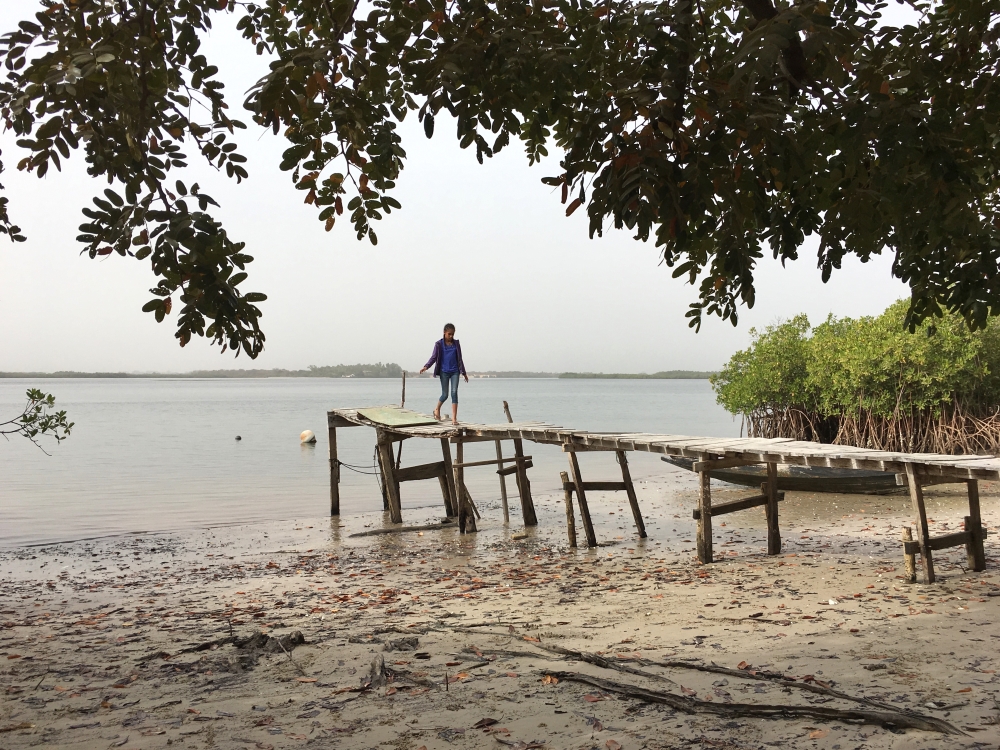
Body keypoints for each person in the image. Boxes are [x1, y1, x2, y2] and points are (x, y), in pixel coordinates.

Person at [419, 323, 468, 424]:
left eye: (453, 334)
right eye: (449, 334)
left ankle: (454, 419)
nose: (451, 336)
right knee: (445, 395)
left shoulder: (456, 344)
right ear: (444, 333)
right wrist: (426, 366)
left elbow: (460, 359)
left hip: (455, 371)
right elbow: (433, 357)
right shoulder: (438, 344)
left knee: (454, 393)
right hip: (444, 372)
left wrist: (464, 372)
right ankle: (437, 409)